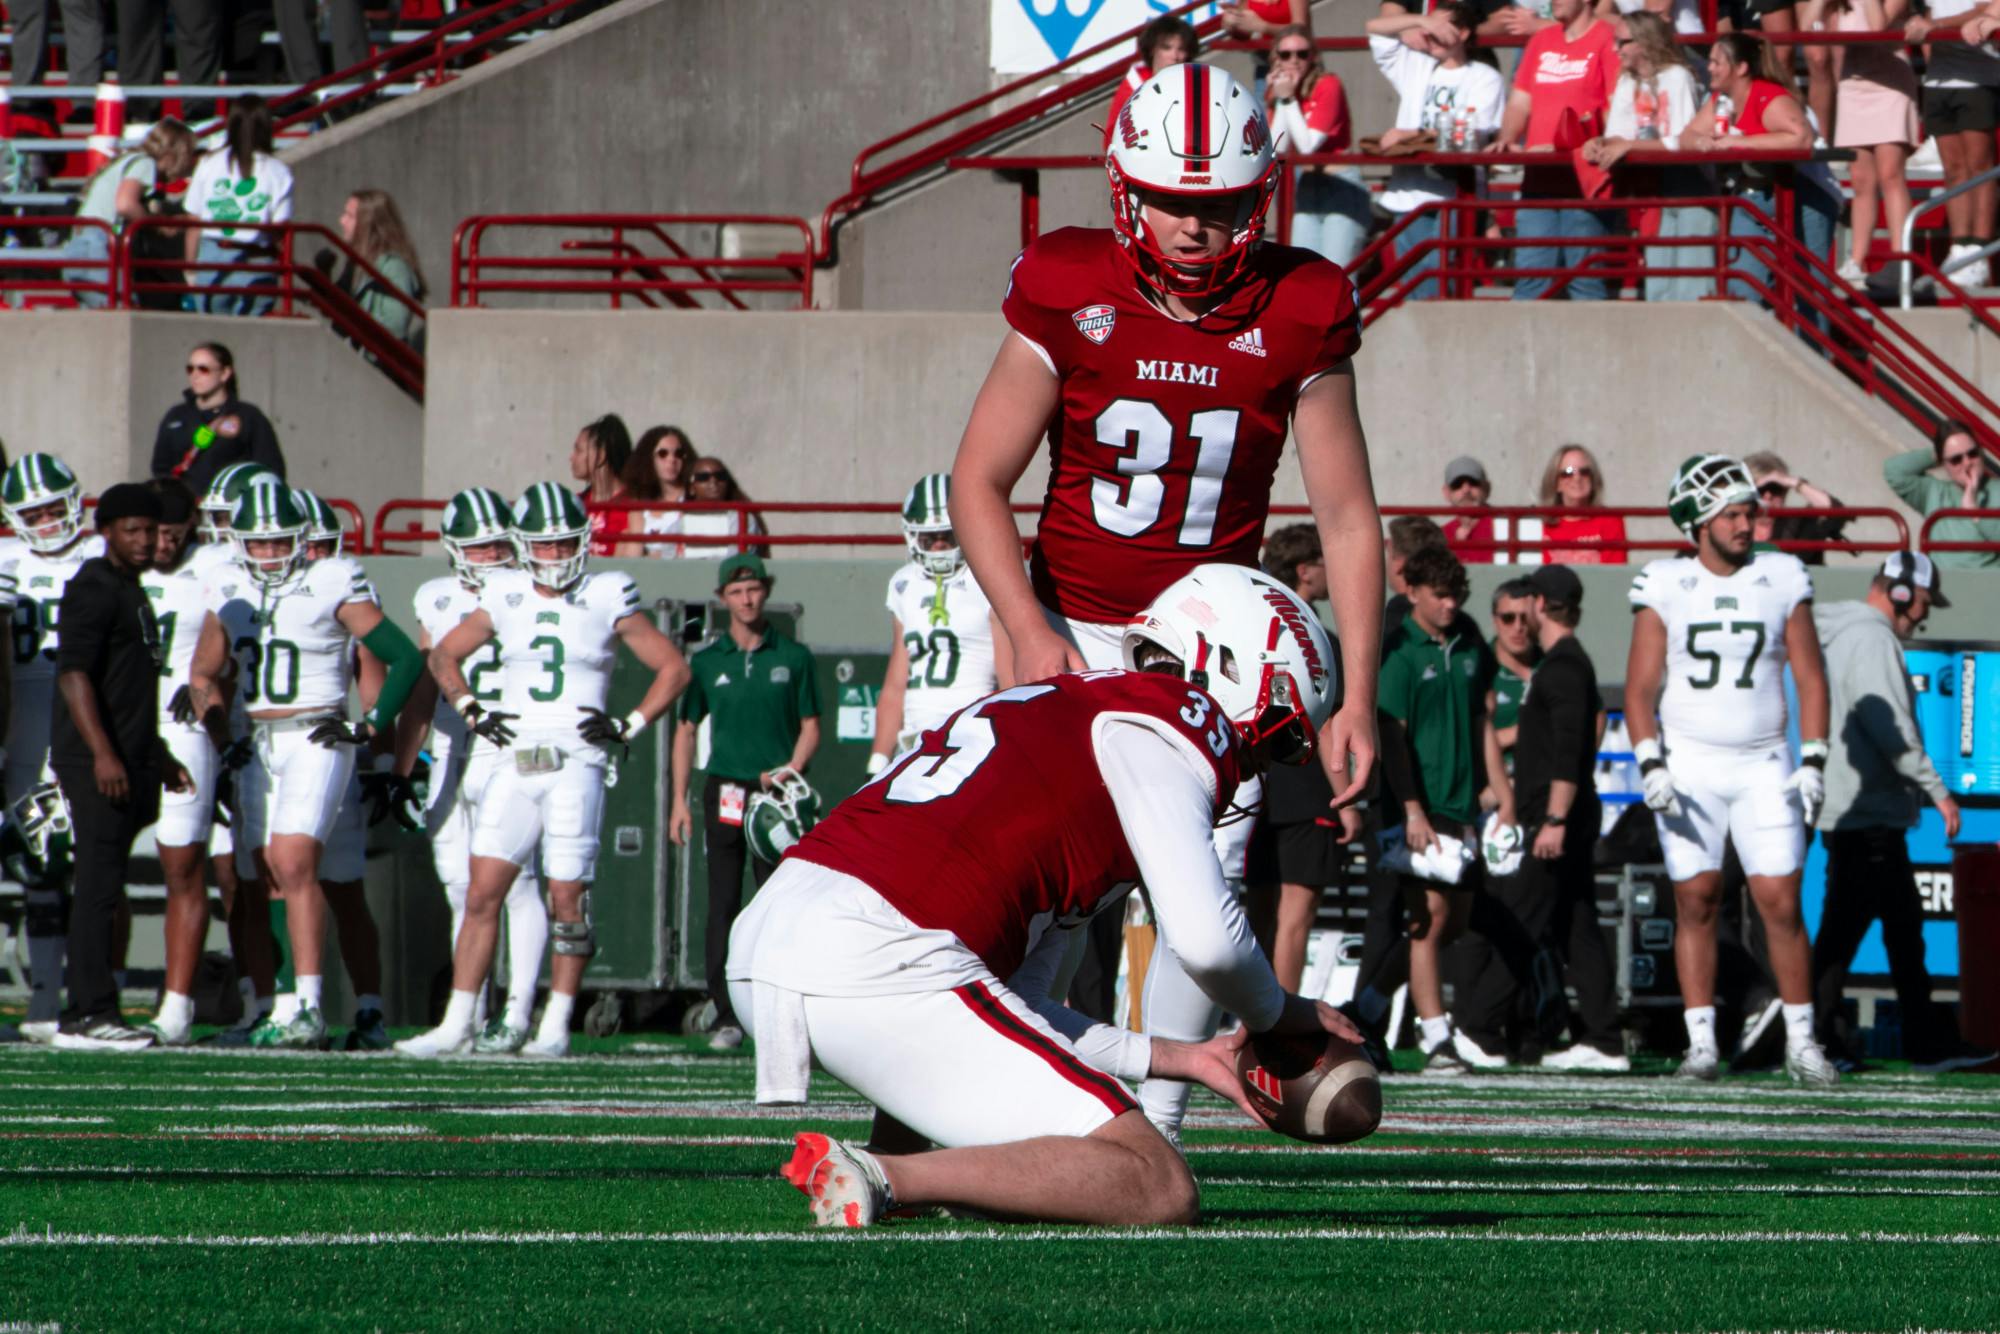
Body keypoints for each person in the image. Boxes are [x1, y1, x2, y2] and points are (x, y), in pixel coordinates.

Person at [948, 61, 1382, 1140]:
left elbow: (1345, 516)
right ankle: (1016, 1117)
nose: (1195, 227)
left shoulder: (1303, 302)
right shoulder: (1066, 281)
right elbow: (977, 482)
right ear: (1125, 188)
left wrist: (1355, 695)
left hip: (1209, 658)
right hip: (1069, 626)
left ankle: (1159, 1123)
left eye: (1221, 203)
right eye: (1176, 201)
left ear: (1261, 193)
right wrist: (1028, 626)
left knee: (1202, 906)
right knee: (1044, 902)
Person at [727, 563, 1362, 1229]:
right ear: (1225, 666)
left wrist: (1185, 1059)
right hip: (885, 950)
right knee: (1158, 1184)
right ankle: (888, 1174)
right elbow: (1209, 944)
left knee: (983, 1019)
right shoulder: (1172, 720)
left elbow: (1019, 1011)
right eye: (1283, 732)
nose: (1268, 762)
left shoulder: (1071, 708)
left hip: (786, 926)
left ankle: (891, 1161)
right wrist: (1277, 1012)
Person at [398, 483, 690, 1059]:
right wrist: (470, 708)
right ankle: (458, 1021)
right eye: (546, 545)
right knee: (482, 892)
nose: (556, 555)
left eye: (564, 544)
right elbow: (441, 655)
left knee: (566, 896)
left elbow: (674, 669)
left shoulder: (607, 591)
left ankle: (554, 1023)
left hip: (576, 762)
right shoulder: (504, 591)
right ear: (526, 546)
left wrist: (628, 724)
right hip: (513, 755)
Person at [1624, 454, 1839, 1086]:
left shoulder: (1781, 576)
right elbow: (1640, 688)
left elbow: (1810, 675)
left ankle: (1802, 1040)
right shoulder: (1664, 581)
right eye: (1734, 513)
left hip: (1765, 758)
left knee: (1780, 898)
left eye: (1750, 511)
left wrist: (1815, 757)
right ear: (1697, 519)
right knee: (1696, 899)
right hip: (1690, 761)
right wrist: (1649, 762)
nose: (1747, 524)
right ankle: (1702, 1045)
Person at [186, 480, 423, 1049]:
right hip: (257, 740)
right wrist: (222, 739)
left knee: (303, 867)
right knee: (264, 876)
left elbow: (400, 656)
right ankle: (281, 1005)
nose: (269, 554)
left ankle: (321, 1006)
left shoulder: (332, 581)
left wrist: (373, 732)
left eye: (281, 542)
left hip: (317, 731)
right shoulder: (231, 588)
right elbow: (202, 675)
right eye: (258, 543)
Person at [1811, 551, 1995, 1072]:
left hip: (1858, 811)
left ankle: (1894, 1038)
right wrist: (1938, 790)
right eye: (1921, 602)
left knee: (1889, 931)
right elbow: (1888, 725)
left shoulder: (1848, 631)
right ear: (1898, 591)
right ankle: (1820, 1034)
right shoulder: (1872, 638)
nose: (1923, 616)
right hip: (1866, 814)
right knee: (1854, 935)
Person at [394, 487, 551, 1053]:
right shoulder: (435, 596)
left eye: (496, 546)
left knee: (515, 882)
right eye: (478, 548)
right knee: (459, 886)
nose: (489, 557)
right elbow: (422, 679)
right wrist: (402, 764)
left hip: (508, 743)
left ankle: (519, 1012)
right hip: (450, 741)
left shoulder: (525, 588)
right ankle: (470, 1014)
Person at [44, 485, 193, 1050]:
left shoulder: (132, 590)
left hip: (130, 758)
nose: (145, 540)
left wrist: (157, 754)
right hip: (95, 762)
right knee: (98, 889)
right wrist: (104, 753)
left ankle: (93, 1008)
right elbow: (73, 674)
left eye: (152, 531)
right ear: (106, 530)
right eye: (131, 529)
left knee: (107, 887)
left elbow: (128, 688)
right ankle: (87, 1014)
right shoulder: (94, 588)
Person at [669, 554, 820, 1052]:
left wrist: (791, 769)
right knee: (723, 903)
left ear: (766, 591)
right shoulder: (707, 662)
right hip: (727, 790)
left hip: (777, 795)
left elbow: (811, 727)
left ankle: (782, 1010)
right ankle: (727, 1014)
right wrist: (679, 801)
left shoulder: (794, 657)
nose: (747, 598)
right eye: (737, 592)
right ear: (723, 600)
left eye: (754, 588)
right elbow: (686, 730)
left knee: (779, 902)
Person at [1377, 544, 1508, 1073]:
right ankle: (1437, 1039)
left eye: (1457, 595)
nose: (1451, 604)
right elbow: (1392, 734)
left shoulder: (1470, 644)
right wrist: (1411, 810)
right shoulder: (1400, 650)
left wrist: (1504, 794)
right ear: (1413, 592)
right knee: (1427, 919)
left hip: (1462, 799)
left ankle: (1365, 1008)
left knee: (1453, 918)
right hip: (1418, 802)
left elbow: (1483, 721)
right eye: (1441, 595)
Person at [0, 453, 107, 1044]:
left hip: (83, 711)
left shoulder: (98, 555)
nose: (44, 520)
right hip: (19, 710)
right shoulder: (4, 558)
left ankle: (85, 995)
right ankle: (43, 997)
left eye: (51, 507)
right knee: (37, 863)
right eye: (32, 512)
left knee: (82, 859)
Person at [1503, 565, 1625, 1070]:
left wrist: (1554, 818)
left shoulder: (1565, 666)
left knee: (1516, 915)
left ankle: (1483, 1029)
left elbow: (1571, 746)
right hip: (1559, 813)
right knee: (1578, 925)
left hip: (1556, 818)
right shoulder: (1563, 665)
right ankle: (1602, 1037)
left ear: (1538, 602)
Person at [139, 479, 241, 1047]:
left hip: (185, 722)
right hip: (121, 724)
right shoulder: (109, 566)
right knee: (95, 867)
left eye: (171, 533)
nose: (159, 544)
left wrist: (207, 683)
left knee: (184, 865)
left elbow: (236, 638)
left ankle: (177, 1005)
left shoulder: (216, 565)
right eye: (151, 533)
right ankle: (85, 1001)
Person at [1247, 526, 1362, 992]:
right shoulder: (1316, 635)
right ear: (1304, 570)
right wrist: (1347, 800)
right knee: (1295, 916)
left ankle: (1248, 1013)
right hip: (1306, 786)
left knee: (1259, 912)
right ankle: (1280, 1025)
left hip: (1255, 785)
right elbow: (1329, 721)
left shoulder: (1253, 626)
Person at [867, 473, 1013, 775]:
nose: (938, 547)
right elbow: (896, 684)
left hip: (972, 733)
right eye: (929, 538)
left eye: (946, 535)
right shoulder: (903, 584)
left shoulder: (984, 577)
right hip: (916, 739)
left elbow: (1008, 675)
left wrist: (1012, 739)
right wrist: (877, 761)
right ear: (912, 536)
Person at [1366, 5, 1507, 300]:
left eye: (1438, 27)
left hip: (1454, 195)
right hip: (1409, 193)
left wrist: (1413, 135)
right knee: (1412, 286)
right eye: (1427, 27)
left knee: (1440, 284)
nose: (1429, 33)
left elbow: (1474, 130)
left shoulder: (1484, 77)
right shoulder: (1416, 66)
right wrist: (1419, 19)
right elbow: (1374, 27)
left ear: (1464, 33)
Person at [1493, 0, 1620, 301]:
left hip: (1585, 179)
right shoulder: (1541, 40)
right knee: (1531, 280)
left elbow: (1616, 106)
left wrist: (1568, 144)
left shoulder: (1606, 37)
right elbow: (1519, 102)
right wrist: (1507, 138)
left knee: (1586, 282)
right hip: (1538, 178)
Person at [1579, 13, 1708, 303]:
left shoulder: (1677, 77)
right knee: (1659, 282)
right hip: (1652, 185)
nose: (1615, 49)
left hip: (1689, 185)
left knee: (1690, 280)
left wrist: (1629, 146)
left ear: (1646, 43)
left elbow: (1685, 141)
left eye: (1622, 42)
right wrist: (1599, 143)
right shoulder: (1627, 79)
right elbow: (1620, 135)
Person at [1680, 34, 1815, 306]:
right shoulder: (1721, 99)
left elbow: (1801, 138)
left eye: (1717, 62)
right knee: (1743, 291)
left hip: (1806, 196)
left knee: (1807, 294)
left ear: (1741, 68)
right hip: (1753, 196)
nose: (1710, 68)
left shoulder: (1768, 95)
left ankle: (1814, 349)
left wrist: (1737, 143)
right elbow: (1687, 136)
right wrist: (1702, 141)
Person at [1807, 0, 1920, 285]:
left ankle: (1900, 259)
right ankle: (1857, 260)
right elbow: (1808, 30)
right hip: (1853, 86)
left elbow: (1877, 27)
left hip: (1890, 85)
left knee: (1890, 173)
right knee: (1860, 180)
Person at [1906, 2, 2000, 285]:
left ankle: (1979, 251)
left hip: (1978, 78)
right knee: (1954, 170)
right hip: (1938, 80)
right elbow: (1925, 15)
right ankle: (1959, 247)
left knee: (1979, 169)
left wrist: (1937, 26)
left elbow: (1989, 8)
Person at [63, 121, 200, 309]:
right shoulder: (145, 163)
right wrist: (159, 227)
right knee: (122, 310)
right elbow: (126, 204)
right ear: (175, 155)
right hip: (98, 249)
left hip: (79, 248)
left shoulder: (126, 161)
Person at [1266, 25, 1369, 268]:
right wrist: (1282, 99)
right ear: (1275, 59)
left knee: (1337, 273)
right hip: (1307, 184)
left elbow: (1307, 146)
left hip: (1341, 184)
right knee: (1303, 273)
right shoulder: (1282, 92)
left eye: (1302, 54)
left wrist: (1288, 99)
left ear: (1313, 56)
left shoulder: (1328, 84)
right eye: (1285, 55)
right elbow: (1277, 145)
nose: (1294, 61)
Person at [186, 96, 295, 318]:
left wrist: (190, 268)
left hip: (212, 259)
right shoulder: (278, 171)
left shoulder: (208, 163)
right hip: (257, 260)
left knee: (213, 341)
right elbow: (280, 229)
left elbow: (194, 222)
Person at [149, 343, 286, 499]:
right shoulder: (176, 416)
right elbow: (160, 468)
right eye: (190, 369)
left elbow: (269, 469)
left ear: (225, 373)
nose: (195, 375)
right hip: (188, 512)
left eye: (203, 369)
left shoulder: (248, 416)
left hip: (230, 509)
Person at [1883, 421, 2000, 569]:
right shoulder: (1935, 491)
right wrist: (1937, 452)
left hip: (1990, 585)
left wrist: (1974, 512)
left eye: (1972, 454)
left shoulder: (1996, 490)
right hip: (1941, 585)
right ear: (1943, 462)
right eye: (1956, 459)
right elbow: (1894, 471)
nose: (1967, 462)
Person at [331, 189, 426, 344]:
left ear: (368, 223)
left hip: (375, 364)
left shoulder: (394, 267)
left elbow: (395, 327)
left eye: (349, 216)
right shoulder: (355, 264)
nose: (342, 220)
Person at [1103, 15, 1200, 148]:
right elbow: (1111, 140)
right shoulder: (1133, 86)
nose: (1175, 56)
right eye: (1167, 48)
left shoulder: (1195, 84)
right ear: (1152, 49)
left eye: (1181, 49)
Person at [1744, 450, 1848, 563]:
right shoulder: (1733, 524)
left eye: (1776, 488)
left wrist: (1795, 483)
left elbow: (1837, 513)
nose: (1768, 496)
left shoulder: (1799, 523)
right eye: (1760, 490)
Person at [1537, 443, 1628, 564]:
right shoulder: (1543, 523)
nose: (1577, 478)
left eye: (1584, 472)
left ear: (1593, 478)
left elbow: (1614, 574)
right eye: (1568, 473)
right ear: (1556, 483)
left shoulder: (1610, 520)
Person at [617, 425, 697, 559]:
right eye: (663, 454)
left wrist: (651, 555)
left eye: (678, 454)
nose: (671, 460)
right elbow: (630, 557)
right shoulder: (639, 503)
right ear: (649, 459)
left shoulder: (692, 497)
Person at [1488, 576, 1539, 774]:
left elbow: (1597, 713)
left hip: (1546, 790)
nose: (1518, 627)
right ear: (1495, 620)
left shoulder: (1553, 664)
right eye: (1508, 618)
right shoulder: (1478, 667)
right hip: (1493, 791)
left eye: (1525, 618)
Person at [570, 414, 634, 559]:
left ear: (601, 455)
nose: (571, 457)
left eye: (578, 450)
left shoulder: (631, 506)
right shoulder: (575, 504)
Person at [680, 456, 769, 559]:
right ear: (691, 488)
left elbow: (736, 560)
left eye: (720, 476)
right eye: (703, 477)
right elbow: (667, 553)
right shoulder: (680, 518)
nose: (713, 481)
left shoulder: (743, 518)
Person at [1440, 454, 1503, 562]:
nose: (1466, 490)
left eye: (1473, 482)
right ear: (1447, 493)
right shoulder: (1442, 535)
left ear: (1487, 489)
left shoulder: (1504, 527)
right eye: (1457, 484)